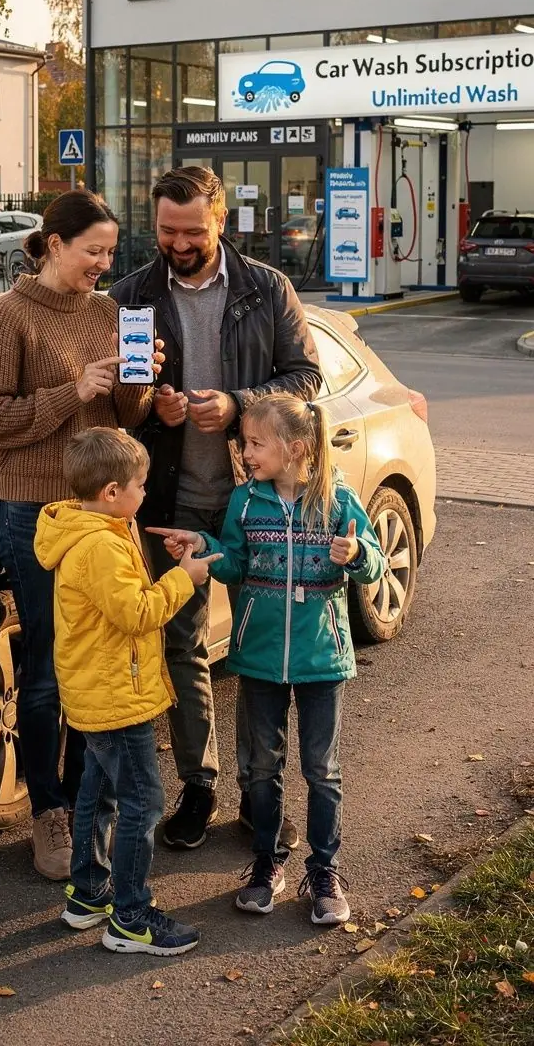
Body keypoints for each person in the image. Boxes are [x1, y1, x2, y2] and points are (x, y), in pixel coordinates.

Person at [111, 166, 322, 850]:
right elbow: (119, 405)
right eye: (166, 230)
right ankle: (198, 788)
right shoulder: (132, 295)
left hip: (257, 500)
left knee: (263, 656)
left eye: (191, 231)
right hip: (172, 505)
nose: (176, 242)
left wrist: (237, 406)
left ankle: (262, 797)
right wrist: (153, 405)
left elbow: (306, 378)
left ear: (222, 221)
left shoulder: (266, 288)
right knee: (182, 647)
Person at [0, 191, 158, 882]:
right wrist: (71, 394)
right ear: (52, 245)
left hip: (104, 516)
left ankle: (84, 798)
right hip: (35, 512)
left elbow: (126, 415)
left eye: (110, 252)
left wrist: (138, 378)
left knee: (101, 658)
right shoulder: (6, 319)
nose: (105, 266)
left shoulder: (110, 314)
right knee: (49, 669)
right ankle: (48, 808)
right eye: (93, 252)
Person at [152, 392, 386, 925]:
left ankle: (324, 871)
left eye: (255, 442)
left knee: (322, 771)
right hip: (257, 660)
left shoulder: (338, 500)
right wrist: (203, 546)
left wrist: (356, 556)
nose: (245, 450)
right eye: (245, 441)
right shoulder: (245, 502)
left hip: (322, 659)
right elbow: (234, 563)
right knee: (262, 768)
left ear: (296, 447)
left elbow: (372, 565)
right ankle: (266, 865)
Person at [35, 427, 220, 955]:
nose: (145, 493)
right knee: (143, 802)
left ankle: (89, 894)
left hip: (97, 692)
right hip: (118, 696)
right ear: (112, 492)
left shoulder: (96, 530)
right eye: (139, 485)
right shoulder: (101, 546)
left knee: (97, 792)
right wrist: (185, 578)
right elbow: (138, 613)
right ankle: (132, 918)